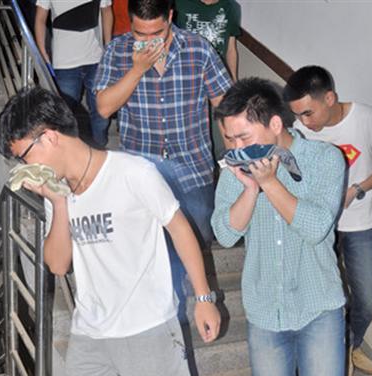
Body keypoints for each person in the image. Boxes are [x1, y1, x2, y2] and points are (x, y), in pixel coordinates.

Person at [0, 86, 236, 376]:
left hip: (147, 328)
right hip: (91, 333)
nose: (23, 167)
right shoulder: (60, 191)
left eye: (23, 155)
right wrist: (58, 203)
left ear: (48, 137)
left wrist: (204, 296)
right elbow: (58, 264)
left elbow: (180, 229)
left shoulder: (132, 173)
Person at [211, 78, 347, 376]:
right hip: (265, 307)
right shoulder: (235, 168)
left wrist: (271, 183)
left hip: (318, 304)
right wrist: (250, 187)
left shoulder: (324, 159)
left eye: (242, 136)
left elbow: (315, 226)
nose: (234, 147)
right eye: (228, 138)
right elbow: (224, 233)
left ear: (274, 124)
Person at [95, 0, 232, 323]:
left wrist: (234, 162)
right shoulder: (117, 51)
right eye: (140, 33)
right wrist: (137, 69)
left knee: (192, 249)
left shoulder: (198, 49)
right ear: (130, 22)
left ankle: (185, 309)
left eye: (156, 32)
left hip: (193, 172)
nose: (148, 41)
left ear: (170, 17)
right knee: (151, 254)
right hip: (142, 175)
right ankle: (169, 323)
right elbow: (103, 107)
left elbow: (226, 107)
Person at [283, 66, 372, 376]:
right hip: (319, 226)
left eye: (308, 113)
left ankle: (351, 342)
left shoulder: (366, 118)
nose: (304, 122)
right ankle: (330, 353)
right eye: (297, 115)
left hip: (360, 224)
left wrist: (356, 189)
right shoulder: (300, 130)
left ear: (330, 98)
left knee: (367, 296)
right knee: (317, 294)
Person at [34, 0, 113, 148]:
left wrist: (108, 47)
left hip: (96, 58)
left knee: (101, 113)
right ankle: (69, 151)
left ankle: (99, 147)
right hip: (64, 62)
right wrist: (42, 51)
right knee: (65, 114)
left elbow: (106, 10)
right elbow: (40, 18)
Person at [174, 0, 240, 81]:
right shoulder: (179, 3)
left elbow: (231, 48)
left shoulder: (231, 6)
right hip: (185, 72)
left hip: (216, 75)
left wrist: (234, 79)